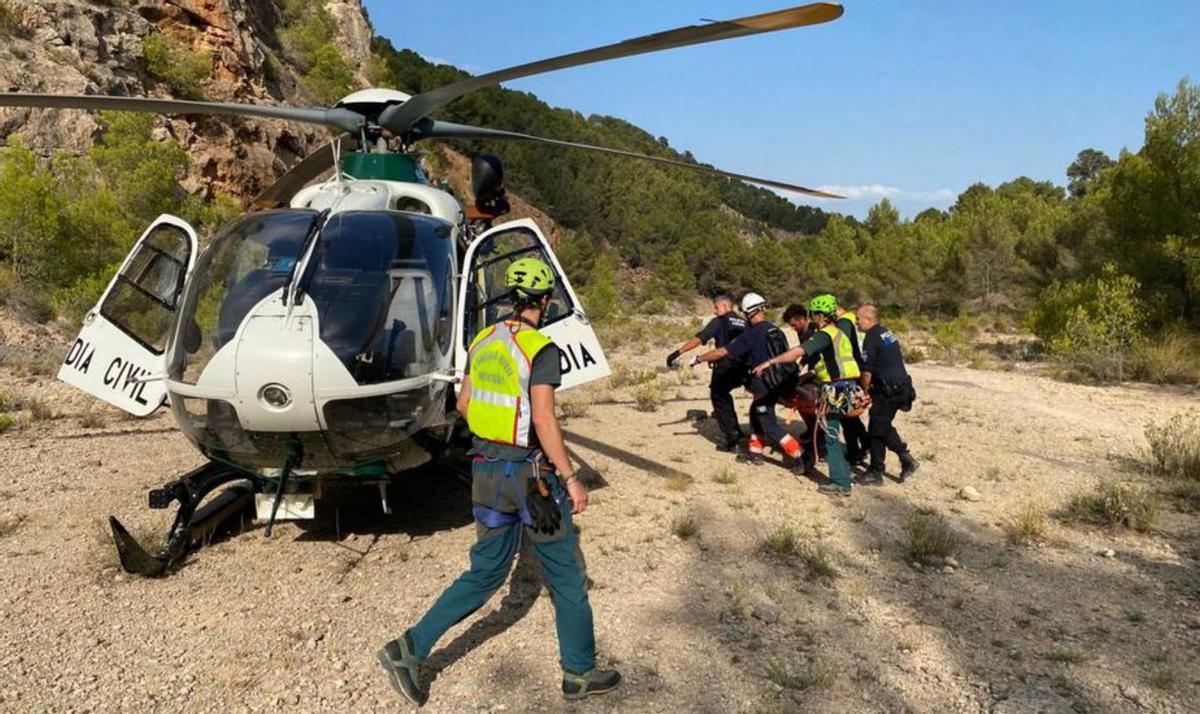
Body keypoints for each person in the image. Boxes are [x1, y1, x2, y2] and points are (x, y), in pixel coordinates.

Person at [377, 258, 620, 704]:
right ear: (544, 302)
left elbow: (466, 404)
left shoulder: (483, 340)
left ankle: (408, 648)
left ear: (511, 298)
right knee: (566, 576)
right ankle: (580, 673)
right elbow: (544, 419)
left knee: (485, 571)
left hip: (485, 472)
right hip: (530, 478)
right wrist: (570, 477)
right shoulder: (541, 349)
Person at [752, 294, 866, 497]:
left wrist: (769, 363)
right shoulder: (839, 332)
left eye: (814, 315)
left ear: (821, 315)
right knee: (832, 431)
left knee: (830, 435)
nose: (812, 318)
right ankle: (845, 466)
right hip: (849, 387)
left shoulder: (825, 334)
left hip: (836, 390)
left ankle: (841, 482)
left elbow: (799, 352)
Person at [695, 293, 800, 465]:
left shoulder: (751, 334)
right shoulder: (776, 330)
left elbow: (723, 352)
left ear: (748, 313)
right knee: (754, 413)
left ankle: (800, 455)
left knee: (768, 423)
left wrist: (698, 359)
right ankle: (755, 452)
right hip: (779, 381)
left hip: (763, 383)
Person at [666, 295, 748, 451]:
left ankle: (733, 440)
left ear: (725, 307)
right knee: (725, 396)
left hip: (726, 365)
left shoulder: (719, 321)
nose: (715, 311)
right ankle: (737, 430)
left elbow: (699, 339)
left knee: (718, 395)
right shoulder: (744, 322)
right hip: (745, 367)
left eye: (716, 307)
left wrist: (678, 352)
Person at [856, 305, 920, 484]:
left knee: (878, 425)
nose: (856, 323)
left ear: (868, 319)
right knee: (878, 426)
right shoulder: (886, 332)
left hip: (889, 390)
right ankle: (877, 469)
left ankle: (904, 460)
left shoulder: (871, 337)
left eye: (858, 319)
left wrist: (864, 391)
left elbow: (867, 371)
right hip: (900, 386)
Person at [780, 304, 823, 476]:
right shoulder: (802, 332)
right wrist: (800, 367)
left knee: (810, 405)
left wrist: (808, 374)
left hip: (822, 375)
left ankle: (816, 447)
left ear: (803, 319)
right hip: (814, 372)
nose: (793, 328)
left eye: (794, 324)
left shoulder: (815, 333)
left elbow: (818, 356)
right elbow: (806, 354)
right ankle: (815, 435)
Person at [831, 297, 869, 467]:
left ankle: (855, 453)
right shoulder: (851, 320)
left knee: (847, 415)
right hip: (857, 369)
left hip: (849, 373)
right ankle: (866, 445)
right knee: (851, 415)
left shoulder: (844, 323)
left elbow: (841, 347)